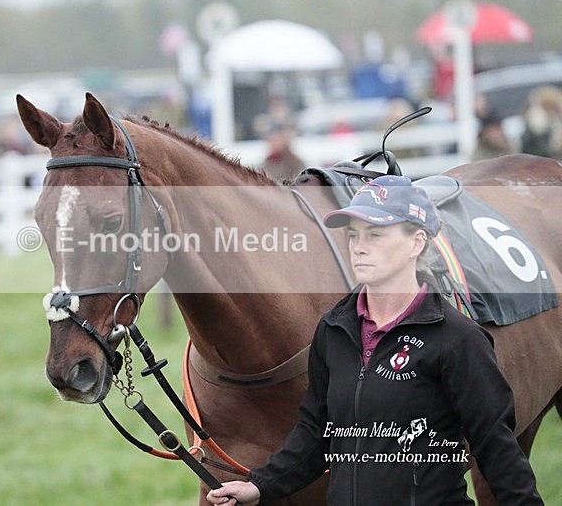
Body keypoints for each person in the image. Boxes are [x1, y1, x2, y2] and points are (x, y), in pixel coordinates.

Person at [206, 176, 542, 505]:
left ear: (417, 242)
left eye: (376, 234)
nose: (359, 247)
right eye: (354, 235)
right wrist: (260, 487)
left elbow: (497, 450)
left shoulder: (458, 339)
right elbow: (316, 433)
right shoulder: (334, 330)